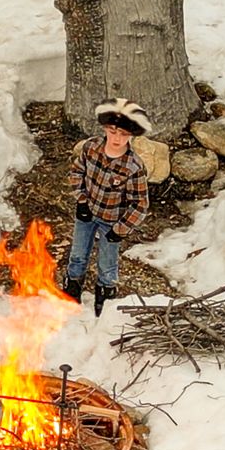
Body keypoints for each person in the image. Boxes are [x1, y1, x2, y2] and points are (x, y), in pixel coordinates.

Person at [64, 98, 151, 316]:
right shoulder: (91, 148)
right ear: (105, 129)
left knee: (107, 263)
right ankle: (71, 290)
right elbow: (76, 173)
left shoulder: (133, 166)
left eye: (123, 134)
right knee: (77, 255)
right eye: (113, 132)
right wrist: (81, 199)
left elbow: (140, 204)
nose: (117, 138)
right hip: (87, 214)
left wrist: (119, 229)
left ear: (131, 135)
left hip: (112, 221)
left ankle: (104, 300)